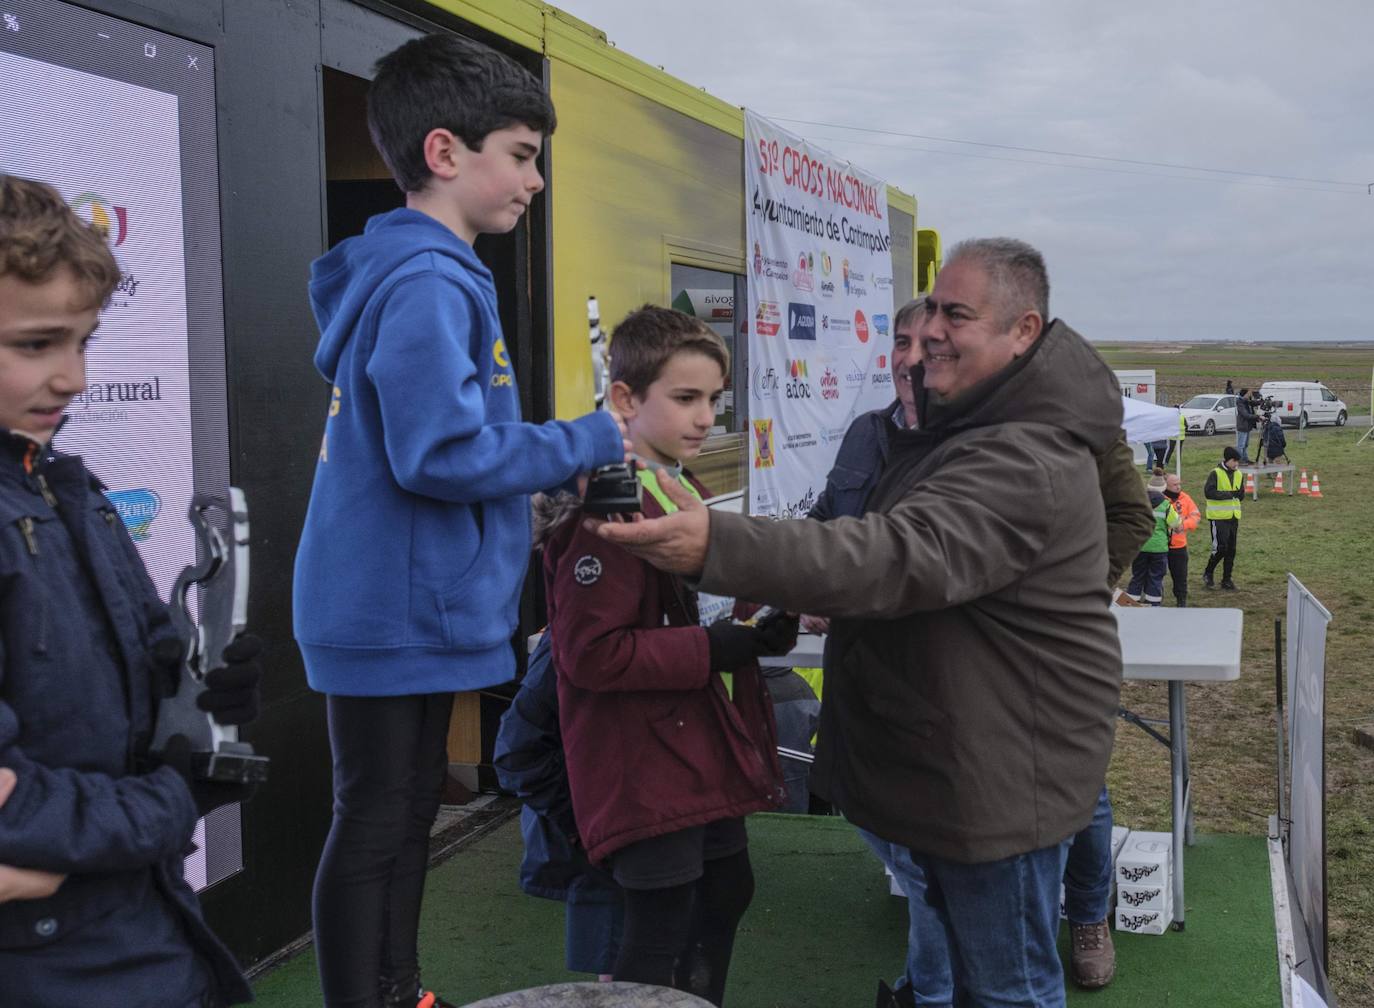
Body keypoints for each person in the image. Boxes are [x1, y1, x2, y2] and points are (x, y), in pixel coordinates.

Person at [596, 238, 1126, 1008]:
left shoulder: (1024, 454)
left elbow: (895, 553)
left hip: (998, 780)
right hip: (960, 772)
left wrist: (720, 544)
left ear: (1023, 332)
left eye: (957, 315)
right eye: (930, 309)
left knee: (1007, 990)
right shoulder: (961, 426)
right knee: (964, 966)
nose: (932, 331)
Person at [292, 35, 630, 1008]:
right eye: (521, 154)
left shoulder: (431, 274)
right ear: (445, 153)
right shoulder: (431, 280)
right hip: (391, 604)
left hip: (405, 601)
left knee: (400, 816)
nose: (535, 180)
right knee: (377, 821)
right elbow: (436, 456)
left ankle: (400, 990)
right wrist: (583, 439)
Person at [804, 294, 1152, 1000]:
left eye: (933, 340)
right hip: (905, 687)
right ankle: (932, 980)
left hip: (1026, 669)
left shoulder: (1038, 427)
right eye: (903, 342)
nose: (913, 356)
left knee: (1073, 797)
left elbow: (1128, 513)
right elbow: (848, 536)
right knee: (930, 855)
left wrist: (1066, 593)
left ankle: (1087, 918)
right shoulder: (871, 436)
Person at [0, 174, 261, 1005]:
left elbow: (148, 683)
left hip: (144, 933)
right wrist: (173, 802)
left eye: (82, 342)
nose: (74, 378)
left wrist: (203, 705)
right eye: (37, 345)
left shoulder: (69, 486)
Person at [546, 305, 794, 1005]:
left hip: (697, 741)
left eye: (714, 399)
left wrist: (754, 624)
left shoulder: (682, 485)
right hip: (642, 754)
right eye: (685, 398)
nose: (705, 417)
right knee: (661, 916)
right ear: (623, 399)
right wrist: (716, 646)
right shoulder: (608, 506)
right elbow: (591, 655)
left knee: (724, 890)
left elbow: (694, 606)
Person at [493, 629, 623, 982]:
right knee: (625, 974)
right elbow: (517, 753)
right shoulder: (575, 638)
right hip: (605, 838)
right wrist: (584, 827)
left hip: (631, 829)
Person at [1124, 470, 1181, 606]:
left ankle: (1131, 603)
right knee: (1155, 577)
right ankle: (1153, 605)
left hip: (1140, 546)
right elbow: (1177, 526)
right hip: (1159, 548)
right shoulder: (1166, 505)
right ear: (1163, 489)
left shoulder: (1137, 503)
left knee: (1138, 576)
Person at [1201, 446, 1244, 591]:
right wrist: (1229, 494)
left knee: (1231, 550)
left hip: (1233, 517)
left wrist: (1239, 494)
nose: (1236, 464)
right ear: (1227, 460)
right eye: (1234, 461)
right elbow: (1209, 492)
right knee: (1220, 548)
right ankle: (1208, 572)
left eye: (1237, 461)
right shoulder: (1215, 473)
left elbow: (1241, 494)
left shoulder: (1239, 474)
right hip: (1218, 517)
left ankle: (1227, 579)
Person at [1163, 471, 1201, 607]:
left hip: (1179, 546)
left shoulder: (1185, 498)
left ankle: (1181, 602)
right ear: (1165, 485)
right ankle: (1154, 601)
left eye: (1179, 484)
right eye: (1174, 485)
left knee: (1180, 578)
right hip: (1161, 546)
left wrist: (1183, 525)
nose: (1178, 487)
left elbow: (1196, 516)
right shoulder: (1160, 499)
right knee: (1156, 576)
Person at [1235, 388, 1257, 463]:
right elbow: (1246, 415)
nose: (1249, 396)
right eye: (1248, 394)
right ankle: (1240, 460)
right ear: (1244, 394)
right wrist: (1257, 416)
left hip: (1247, 426)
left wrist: (1261, 402)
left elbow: (1253, 403)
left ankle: (1245, 459)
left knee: (1246, 445)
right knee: (1241, 445)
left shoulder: (1246, 401)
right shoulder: (1240, 402)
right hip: (1242, 426)